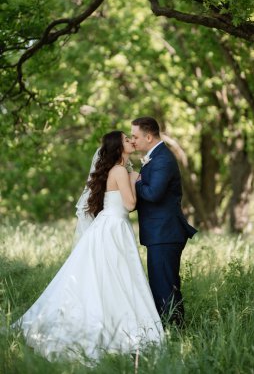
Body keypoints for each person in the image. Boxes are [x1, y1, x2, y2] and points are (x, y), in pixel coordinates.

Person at [13, 131, 164, 364]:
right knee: (117, 277)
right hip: (114, 227)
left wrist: (133, 176)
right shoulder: (119, 171)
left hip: (108, 226)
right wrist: (135, 182)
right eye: (126, 139)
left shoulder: (119, 170)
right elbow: (131, 204)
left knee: (107, 277)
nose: (131, 141)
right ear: (118, 147)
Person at [131, 117, 197, 327]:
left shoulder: (162, 159)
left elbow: (153, 194)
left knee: (165, 286)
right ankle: (168, 328)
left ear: (148, 137)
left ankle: (174, 330)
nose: (133, 141)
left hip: (166, 232)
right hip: (160, 232)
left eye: (135, 136)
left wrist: (136, 181)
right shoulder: (156, 157)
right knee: (163, 284)